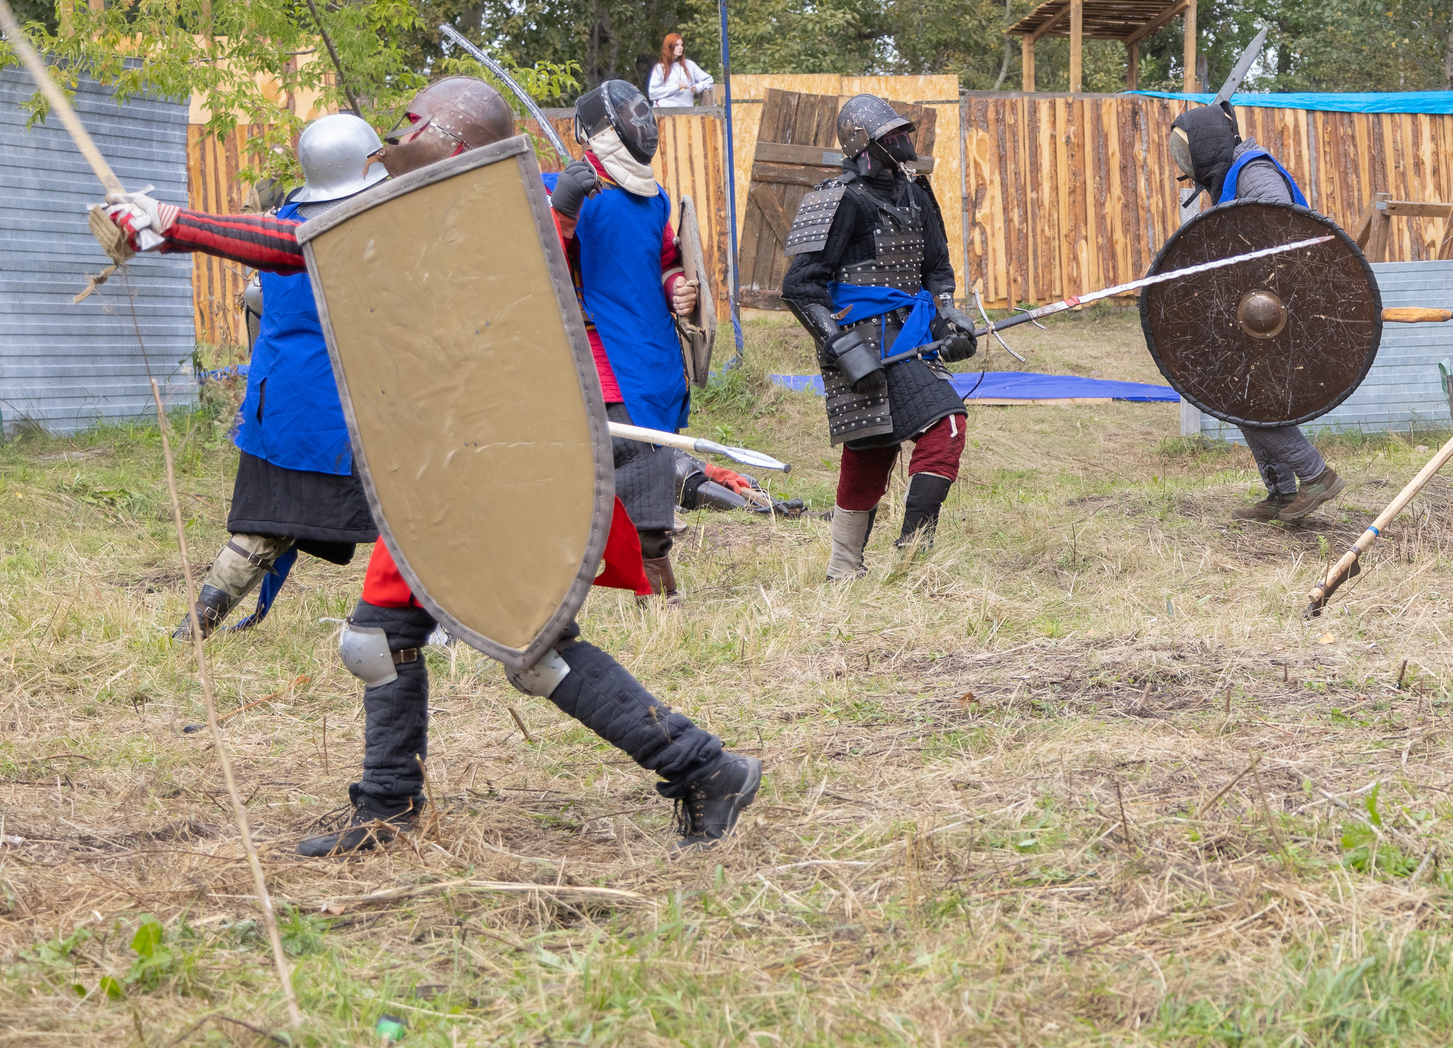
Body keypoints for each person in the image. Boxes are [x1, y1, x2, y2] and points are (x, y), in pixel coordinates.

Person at [107, 79, 762, 855]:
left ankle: (705, 767)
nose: (395, 138)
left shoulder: (473, 220)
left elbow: (298, 243)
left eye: (411, 125)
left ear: (451, 144)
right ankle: (388, 808)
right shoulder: (437, 215)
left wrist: (174, 222)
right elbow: (310, 244)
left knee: (536, 650)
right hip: (444, 469)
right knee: (377, 638)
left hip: (492, 472)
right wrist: (171, 232)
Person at [107, 82, 520, 637]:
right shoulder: (354, 229)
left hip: (281, 409)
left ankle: (196, 629)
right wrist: (171, 225)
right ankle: (447, 626)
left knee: (264, 529)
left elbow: (271, 253)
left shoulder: (291, 217)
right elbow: (292, 244)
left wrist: (170, 228)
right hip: (353, 413)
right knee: (430, 515)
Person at [782, 94, 976, 579]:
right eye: (891, 134)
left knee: (905, 439)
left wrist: (948, 319)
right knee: (887, 444)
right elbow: (801, 287)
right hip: (861, 342)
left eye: (902, 131)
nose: (904, 139)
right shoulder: (841, 198)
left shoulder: (916, 194)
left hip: (912, 336)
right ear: (863, 143)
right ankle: (855, 567)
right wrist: (842, 350)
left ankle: (892, 560)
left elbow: (936, 269)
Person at [550, 78, 698, 599]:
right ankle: (620, 585)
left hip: (651, 353)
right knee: (631, 459)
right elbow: (539, 264)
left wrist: (678, 287)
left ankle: (652, 585)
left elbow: (663, 261)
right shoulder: (562, 190)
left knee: (650, 459)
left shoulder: (654, 199)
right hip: (599, 356)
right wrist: (562, 211)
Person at [1164, 101, 1342, 522]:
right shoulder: (1232, 179)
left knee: (1245, 398)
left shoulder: (1253, 172)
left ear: (1206, 147)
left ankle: (1316, 475)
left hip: (1285, 309)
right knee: (1239, 395)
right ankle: (1281, 492)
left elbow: (1279, 234)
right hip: (1257, 310)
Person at [647, 33, 716, 109]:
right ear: (669, 46)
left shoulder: (689, 65)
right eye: (677, 45)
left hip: (687, 111)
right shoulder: (660, 67)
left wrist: (697, 87)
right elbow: (653, 94)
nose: (680, 47)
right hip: (665, 111)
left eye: (681, 45)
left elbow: (709, 80)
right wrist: (677, 87)